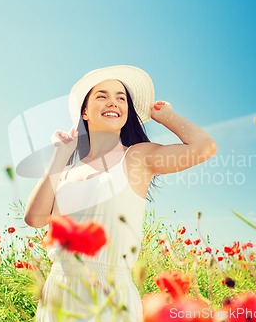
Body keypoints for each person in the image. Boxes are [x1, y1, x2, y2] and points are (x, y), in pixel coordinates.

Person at [24, 65, 216, 322]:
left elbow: (204, 147)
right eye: (101, 96)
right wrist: (60, 154)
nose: (112, 102)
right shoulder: (69, 171)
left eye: (121, 98)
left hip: (110, 294)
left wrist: (166, 115)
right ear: (85, 111)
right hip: (59, 291)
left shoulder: (137, 157)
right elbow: (34, 218)